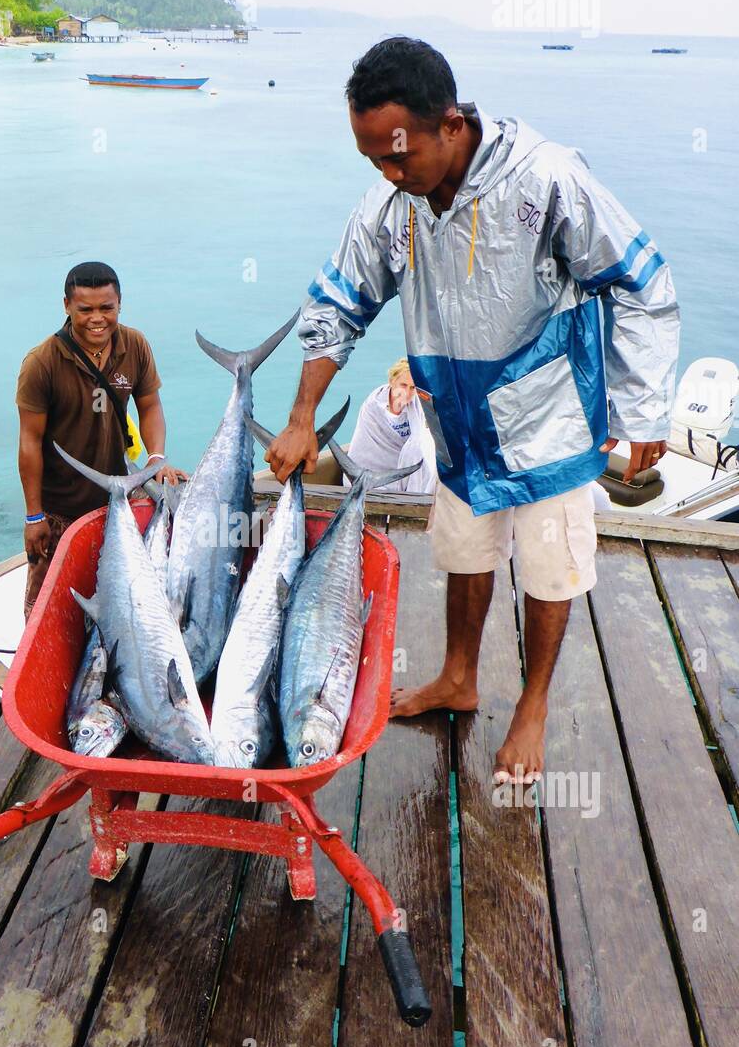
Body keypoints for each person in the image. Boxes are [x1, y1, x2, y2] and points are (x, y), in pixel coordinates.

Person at [266, 38, 678, 785]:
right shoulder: (391, 205)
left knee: (549, 568)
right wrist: (302, 416)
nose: (390, 176)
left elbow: (640, 281)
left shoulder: (548, 178)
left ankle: (533, 706)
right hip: (453, 417)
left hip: (547, 412)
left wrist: (644, 406)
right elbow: (338, 302)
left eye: (400, 157)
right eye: (373, 163)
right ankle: (459, 676)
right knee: (462, 551)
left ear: (450, 125)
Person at [17, 261, 187, 620]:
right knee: (44, 611)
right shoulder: (41, 363)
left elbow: (150, 406)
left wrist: (156, 459)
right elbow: (29, 442)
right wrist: (34, 516)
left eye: (106, 308)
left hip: (119, 499)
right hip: (60, 507)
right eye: (86, 309)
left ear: (120, 304)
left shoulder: (135, 345)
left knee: (130, 597)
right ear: (66, 306)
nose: (97, 318)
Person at [347, 358, 437, 494]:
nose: (407, 392)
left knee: (425, 449)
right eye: (403, 385)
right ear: (392, 382)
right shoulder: (374, 406)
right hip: (372, 473)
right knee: (417, 449)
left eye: (413, 387)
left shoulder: (418, 403)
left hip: (407, 472)